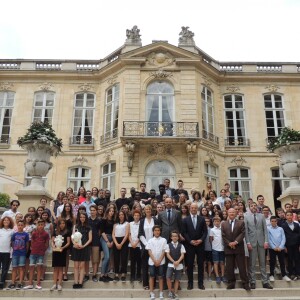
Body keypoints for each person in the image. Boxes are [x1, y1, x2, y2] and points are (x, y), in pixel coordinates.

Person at [244, 202, 272, 289]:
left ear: (257, 207)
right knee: (252, 264)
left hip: (261, 242)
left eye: (255, 206)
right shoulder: (246, 217)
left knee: (263, 263)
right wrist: (248, 242)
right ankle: (252, 281)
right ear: (249, 208)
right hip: (252, 243)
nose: (253, 207)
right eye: (252, 206)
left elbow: (265, 230)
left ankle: (265, 282)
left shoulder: (262, 216)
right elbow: (246, 231)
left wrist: (266, 241)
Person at [221, 208, 250, 290]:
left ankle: (245, 283)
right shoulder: (223, 224)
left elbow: (242, 233)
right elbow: (223, 235)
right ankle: (231, 283)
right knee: (229, 267)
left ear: (236, 213)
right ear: (227, 213)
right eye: (230, 212)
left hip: (238, 248)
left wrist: (235, 242)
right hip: (228, 248)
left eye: (233, 212)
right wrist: (229, 243)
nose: (231, 213)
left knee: (242, 267)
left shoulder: (241, 222)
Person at [182, 203, 207, 290]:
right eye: (192, 208)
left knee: (200, 264)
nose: (193, 209)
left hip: (200, 245)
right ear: (190, 209)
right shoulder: (185, 220)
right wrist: (190, 241)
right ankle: (190, 283)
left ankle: (201, 283)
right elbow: (184, 232)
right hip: (189, 245)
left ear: (197, 209)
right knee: (189, 264)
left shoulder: (202, 219)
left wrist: (201, 240)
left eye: (195, 208)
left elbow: (205, 232)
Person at [24, 219, 49, 290]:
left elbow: (46, 244)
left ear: (44, 225)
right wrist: (33, 249)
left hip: (41, 253)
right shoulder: (34, 233)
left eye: (42, 225)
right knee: (31, 268)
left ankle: (38, 283)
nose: (40, 226)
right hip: (33, 253)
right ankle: (30, 284)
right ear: (37, 225)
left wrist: (43, 250)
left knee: (39, 268)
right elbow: (32, 242)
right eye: (39, 225)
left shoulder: (46, 234)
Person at [138, 204, 159, 289]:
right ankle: (145, 284)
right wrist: (146, 244)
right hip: (145, 246)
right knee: (145, 266)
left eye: (149, 209)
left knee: (153, 266)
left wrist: (152, 244)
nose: (148, 211)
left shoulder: (155, 220)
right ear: (144, 211)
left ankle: (153, 284)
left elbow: (158, 231)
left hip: (155, 246)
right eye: (146, 209)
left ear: (151, 210)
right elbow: (140, 234)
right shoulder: (142, 221)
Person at [71, 212, 92, 289]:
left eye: (84, 217)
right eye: (81, 217)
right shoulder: (75, 226)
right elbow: (72, 237)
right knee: (76, 266)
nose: (82, 218)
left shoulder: (88, 227)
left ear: (86, 218)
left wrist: (83, 246)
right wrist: (75, 244)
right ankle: (76, 282)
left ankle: (80, 282)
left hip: (84, 248)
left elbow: (90, 239)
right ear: (79, 218)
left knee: (82, 266)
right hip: (76, 248)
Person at [146, 225, 167, 300]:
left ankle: (161, 292)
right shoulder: (150, 240)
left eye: (158, 230)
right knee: (152, 276)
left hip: (161, 262)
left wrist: (159, 260)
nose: (157, 232)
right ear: (153, 232)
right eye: (155, 230)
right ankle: (151, 292)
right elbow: (149, 251)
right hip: (152, 262)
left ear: (160, 231)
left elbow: (164, 251)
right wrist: (155, 260)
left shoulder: (164, 240)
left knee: (161, 277)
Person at [267, 216, 291, 282]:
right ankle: (271, 275)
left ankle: (284, 275)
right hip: (272, 248)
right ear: (270, 221)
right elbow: (268, 239)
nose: (273, 222)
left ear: (277, 221)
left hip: (281, 248)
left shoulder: (280, 229)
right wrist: (273, 247)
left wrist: (281, 246)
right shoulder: (268, 229)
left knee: (282, 262)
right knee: (272, 262)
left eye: (275, 221)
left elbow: (283, 238)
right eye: (272, 221)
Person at [50, 219, 71, 291]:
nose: (62, 225)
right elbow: (52, 241)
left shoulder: (67, 232)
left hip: (63, 251)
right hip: (56, 251)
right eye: (60, 223)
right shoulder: (55, 231)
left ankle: (59, 284)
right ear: (58, 224)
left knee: (61, 268)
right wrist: (53, 247)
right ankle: (54, 284)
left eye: (63, 223)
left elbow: (68, 242)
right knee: (55, 269)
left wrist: (63, 247)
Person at [165, 230, 185, 300]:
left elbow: (182, 255)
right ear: (171, 237)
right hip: (171, 264)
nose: (174, 237)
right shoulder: (168, 245)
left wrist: (178, 261)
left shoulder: (181, 245)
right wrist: (174, 261)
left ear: (178, 237)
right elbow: (167, 254)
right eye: (173, 236)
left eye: (176, 236)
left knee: (177, 279)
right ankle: (170, 292)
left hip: (179, 264)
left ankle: (176, 293)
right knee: (168, 277)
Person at [281, 211, 300, 280]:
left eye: (290, 215)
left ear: (292, 216)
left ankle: (298, 273)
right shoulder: (283, 225)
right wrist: (284, 246)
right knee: (290, 259)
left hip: (296, 245)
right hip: (288, 245)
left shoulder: (296, 224)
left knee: (297, 259)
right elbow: (282, 236)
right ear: (285, 216)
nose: (289, 216)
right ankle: (291, 273)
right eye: (288, 215)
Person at [99, 207, 116, 282]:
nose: (111, 212)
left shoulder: (114, 221)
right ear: (107, 212)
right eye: (110, 211)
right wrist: (107, 241)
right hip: (104, 238)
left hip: (112, 238)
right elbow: (102, 232)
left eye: (113, 211)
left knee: (108, 258)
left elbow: (114, 232)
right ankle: (102, 275)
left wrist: (112, 242)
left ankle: (106, 274)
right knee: (107, 256)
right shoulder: (103, 220)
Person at [112, 210, 129, 282]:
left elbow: (127, 234)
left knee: (124, 258)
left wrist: (121, 244)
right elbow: (113, 234)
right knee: (116, 258)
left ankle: (123, 273)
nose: (121, 216)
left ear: (124, 215)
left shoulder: (127, 223)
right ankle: (116, 274)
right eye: (119, 215)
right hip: (116, 241)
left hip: (124, 241)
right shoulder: (115, 224)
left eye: (122, 215)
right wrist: (116, 243)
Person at [88, 204, 101, 282]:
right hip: (88, 242)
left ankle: (94, 274)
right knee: (89, 259)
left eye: (94, 210)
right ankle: (88, 273)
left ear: (96, 211)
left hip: (96, 241)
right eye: (91, 210)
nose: (92, 212)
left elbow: (100, 232)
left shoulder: (99, 220)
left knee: (95, 259)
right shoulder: (87, 220)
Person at [0, 217, 14, 289]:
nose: (6, 221)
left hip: (7, 252)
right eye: (4, 220)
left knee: (5, 269)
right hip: (0, 251)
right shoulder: (0, 230)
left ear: (10, 222)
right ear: (2, 222)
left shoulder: (12, 231)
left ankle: (2, 282)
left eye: (7, 220)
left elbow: (12, 242)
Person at [210, 216, 225, 283]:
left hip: (222, 248)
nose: (217, 222)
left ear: (220, 222)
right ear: (213, 222)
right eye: (215, 221)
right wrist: (213, 245)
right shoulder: (212, 230)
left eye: (218, 221)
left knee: (222, 263)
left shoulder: (222, 229)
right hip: (215, 248)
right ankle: (217, 276)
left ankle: (223, 275)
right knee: (216, 262)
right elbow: (210, 239)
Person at [128, 210, 142, 282]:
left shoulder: (141, 224)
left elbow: (141, 234)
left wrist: (136, 243)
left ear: (140, 216)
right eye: (135, 215)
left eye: (138, 215)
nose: (136, 217)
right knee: (132, 261)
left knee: (139, 261)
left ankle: (139, 275)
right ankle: (132, 276)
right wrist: (132, 242)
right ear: (133, 216)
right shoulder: (130, 224)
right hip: (131, 245)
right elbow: (129, 234)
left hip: (139, 245)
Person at [204, 217, 213, 281]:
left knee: (209, 263)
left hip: (210, 249)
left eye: (208, 221)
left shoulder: (212, 230)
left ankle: (209, 276)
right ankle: (204, 276)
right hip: (202, 249)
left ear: (209, 222)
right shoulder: (200, 229)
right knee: (203, 263)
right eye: (205, 221)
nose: (206, 222)